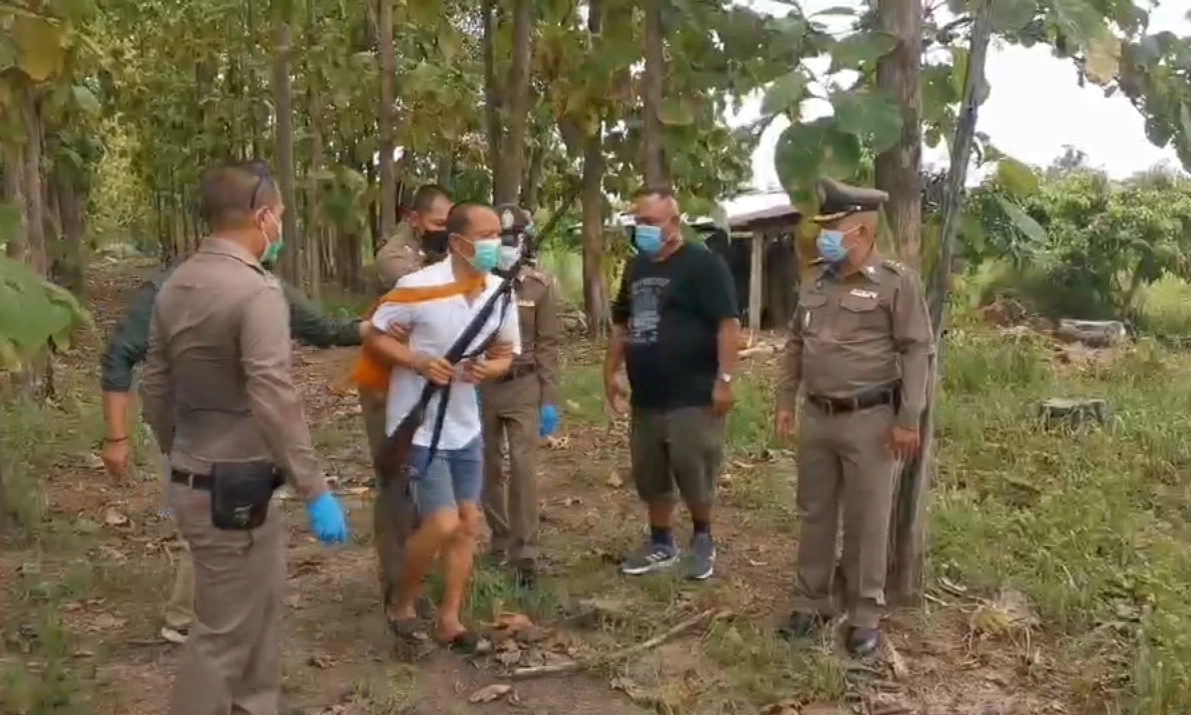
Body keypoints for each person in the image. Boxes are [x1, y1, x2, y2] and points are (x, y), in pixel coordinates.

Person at [140, 161, 349, 715]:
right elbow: (272, 394)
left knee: (258, 612)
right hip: (232, 487)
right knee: (221, 634)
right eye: (279, 216)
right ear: (262, 216)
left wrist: (181, 455)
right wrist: (315, 489)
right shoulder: (257, 292)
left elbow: (155, 386)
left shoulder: (176, 283)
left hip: (208, 478)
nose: (279, 227)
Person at [100, 242, 367, 646]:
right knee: (209, 526)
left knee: (237, 524)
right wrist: (118, 437)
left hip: (242, 434)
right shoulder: (171, 290)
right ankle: (192, 620)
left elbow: (324, 329)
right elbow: (122, 357)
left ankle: (224, 613)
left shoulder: (262, 287)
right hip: (191, 431)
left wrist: (385, 323)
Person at [773, 178, 933, 658]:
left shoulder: (895, 283)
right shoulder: (816, 280)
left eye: (833, 229)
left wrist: (909, 417)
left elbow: (917, 350)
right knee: (815, 512)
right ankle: (811, 602)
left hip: (872, 419)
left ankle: (865, 615)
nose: (823, 237)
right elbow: (795, 344)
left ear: (862, 232)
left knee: (868, 518)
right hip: (818, 415)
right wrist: (784, 400)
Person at [359, 202, 519, 651]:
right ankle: (403, 601)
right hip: (421, 425)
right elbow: (373, 333)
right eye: (484, 235)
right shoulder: (417, 287)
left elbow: (507, 352)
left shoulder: (499, 293)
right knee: (443, 521)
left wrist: (490, 370)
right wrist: (418, 362)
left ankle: (451, 618)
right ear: (457, 242)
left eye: (498, 236)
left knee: (468, 522)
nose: (494, 244)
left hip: (465, 425)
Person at [604, 186, 740, 581]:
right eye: (638, 222)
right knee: (651, 472)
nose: (642, 229)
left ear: (674, 223)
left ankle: (702, 538)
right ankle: (661, 541)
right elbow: (621, 322)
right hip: (647, 394)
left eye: (650, 222)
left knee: (693, 466)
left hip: (693, 392)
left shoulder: (703, 265)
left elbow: (728, 324)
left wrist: (724, 379)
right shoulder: (636, 267)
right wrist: (610, 371)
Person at [364, 184, 454, 621]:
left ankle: (417, 575)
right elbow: (427, 294)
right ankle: (397, 585)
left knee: (426, 474)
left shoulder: (438, 259)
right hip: (388, 383)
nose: (445, 233)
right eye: (440, 225)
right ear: (414, 219)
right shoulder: (396, 258)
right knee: (396, 479)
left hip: (425, 381)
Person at [478, 204, 561, 587]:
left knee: (524, 467)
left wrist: (549, 398)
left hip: (524, 384)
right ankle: (499, 539)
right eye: (499, 239)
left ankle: (524, 551)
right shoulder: (475, 282)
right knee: (487, 466)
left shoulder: (539, 286)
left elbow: (548, 345)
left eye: (512, 239)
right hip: (480, 384)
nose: (505, 246)